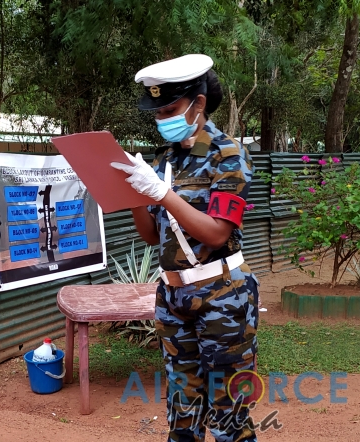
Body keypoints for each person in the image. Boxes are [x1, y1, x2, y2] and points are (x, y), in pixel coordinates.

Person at [111, 54, 259, 442]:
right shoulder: (164, 159)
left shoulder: (228, 155)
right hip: (173, 297)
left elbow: (217, 234)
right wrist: (133, 193)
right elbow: (151, 236)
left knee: (228, 415)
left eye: (169, 110)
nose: (162, 120)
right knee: (182, 414)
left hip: (223, 296)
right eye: (157, 113)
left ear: (198, 103)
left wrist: (161, 193)